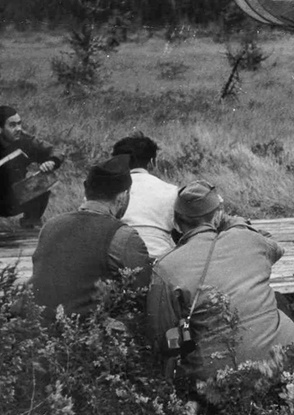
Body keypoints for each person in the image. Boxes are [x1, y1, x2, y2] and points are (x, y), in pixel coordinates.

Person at [148, 183, 294, 385]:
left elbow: (162, 336)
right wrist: (235, 223)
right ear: (218, 216)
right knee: (278, 302)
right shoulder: (248, 239)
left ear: (175, 223)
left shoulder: (165, 267)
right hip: (284, 358)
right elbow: (274, 248)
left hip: (220, 380)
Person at [31, 155, 151, 320]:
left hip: (42, 331)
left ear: (86, 190)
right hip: (90, 337)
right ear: (123, 196)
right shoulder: (123, 236)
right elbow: (144, 295)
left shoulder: (50, 226)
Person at [112, 134, 179, 258]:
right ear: (152, 162)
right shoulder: (171, 190)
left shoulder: (104, 192)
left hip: (117, 258)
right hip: (161, 258)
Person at [0, 105, 63, 227]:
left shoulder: (24, 141)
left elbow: (55, 151)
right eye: (12, 125)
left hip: (13, 198)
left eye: (19, 123)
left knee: (40, 183)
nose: (18, 128)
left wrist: (52, 161)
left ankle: (30, 227)